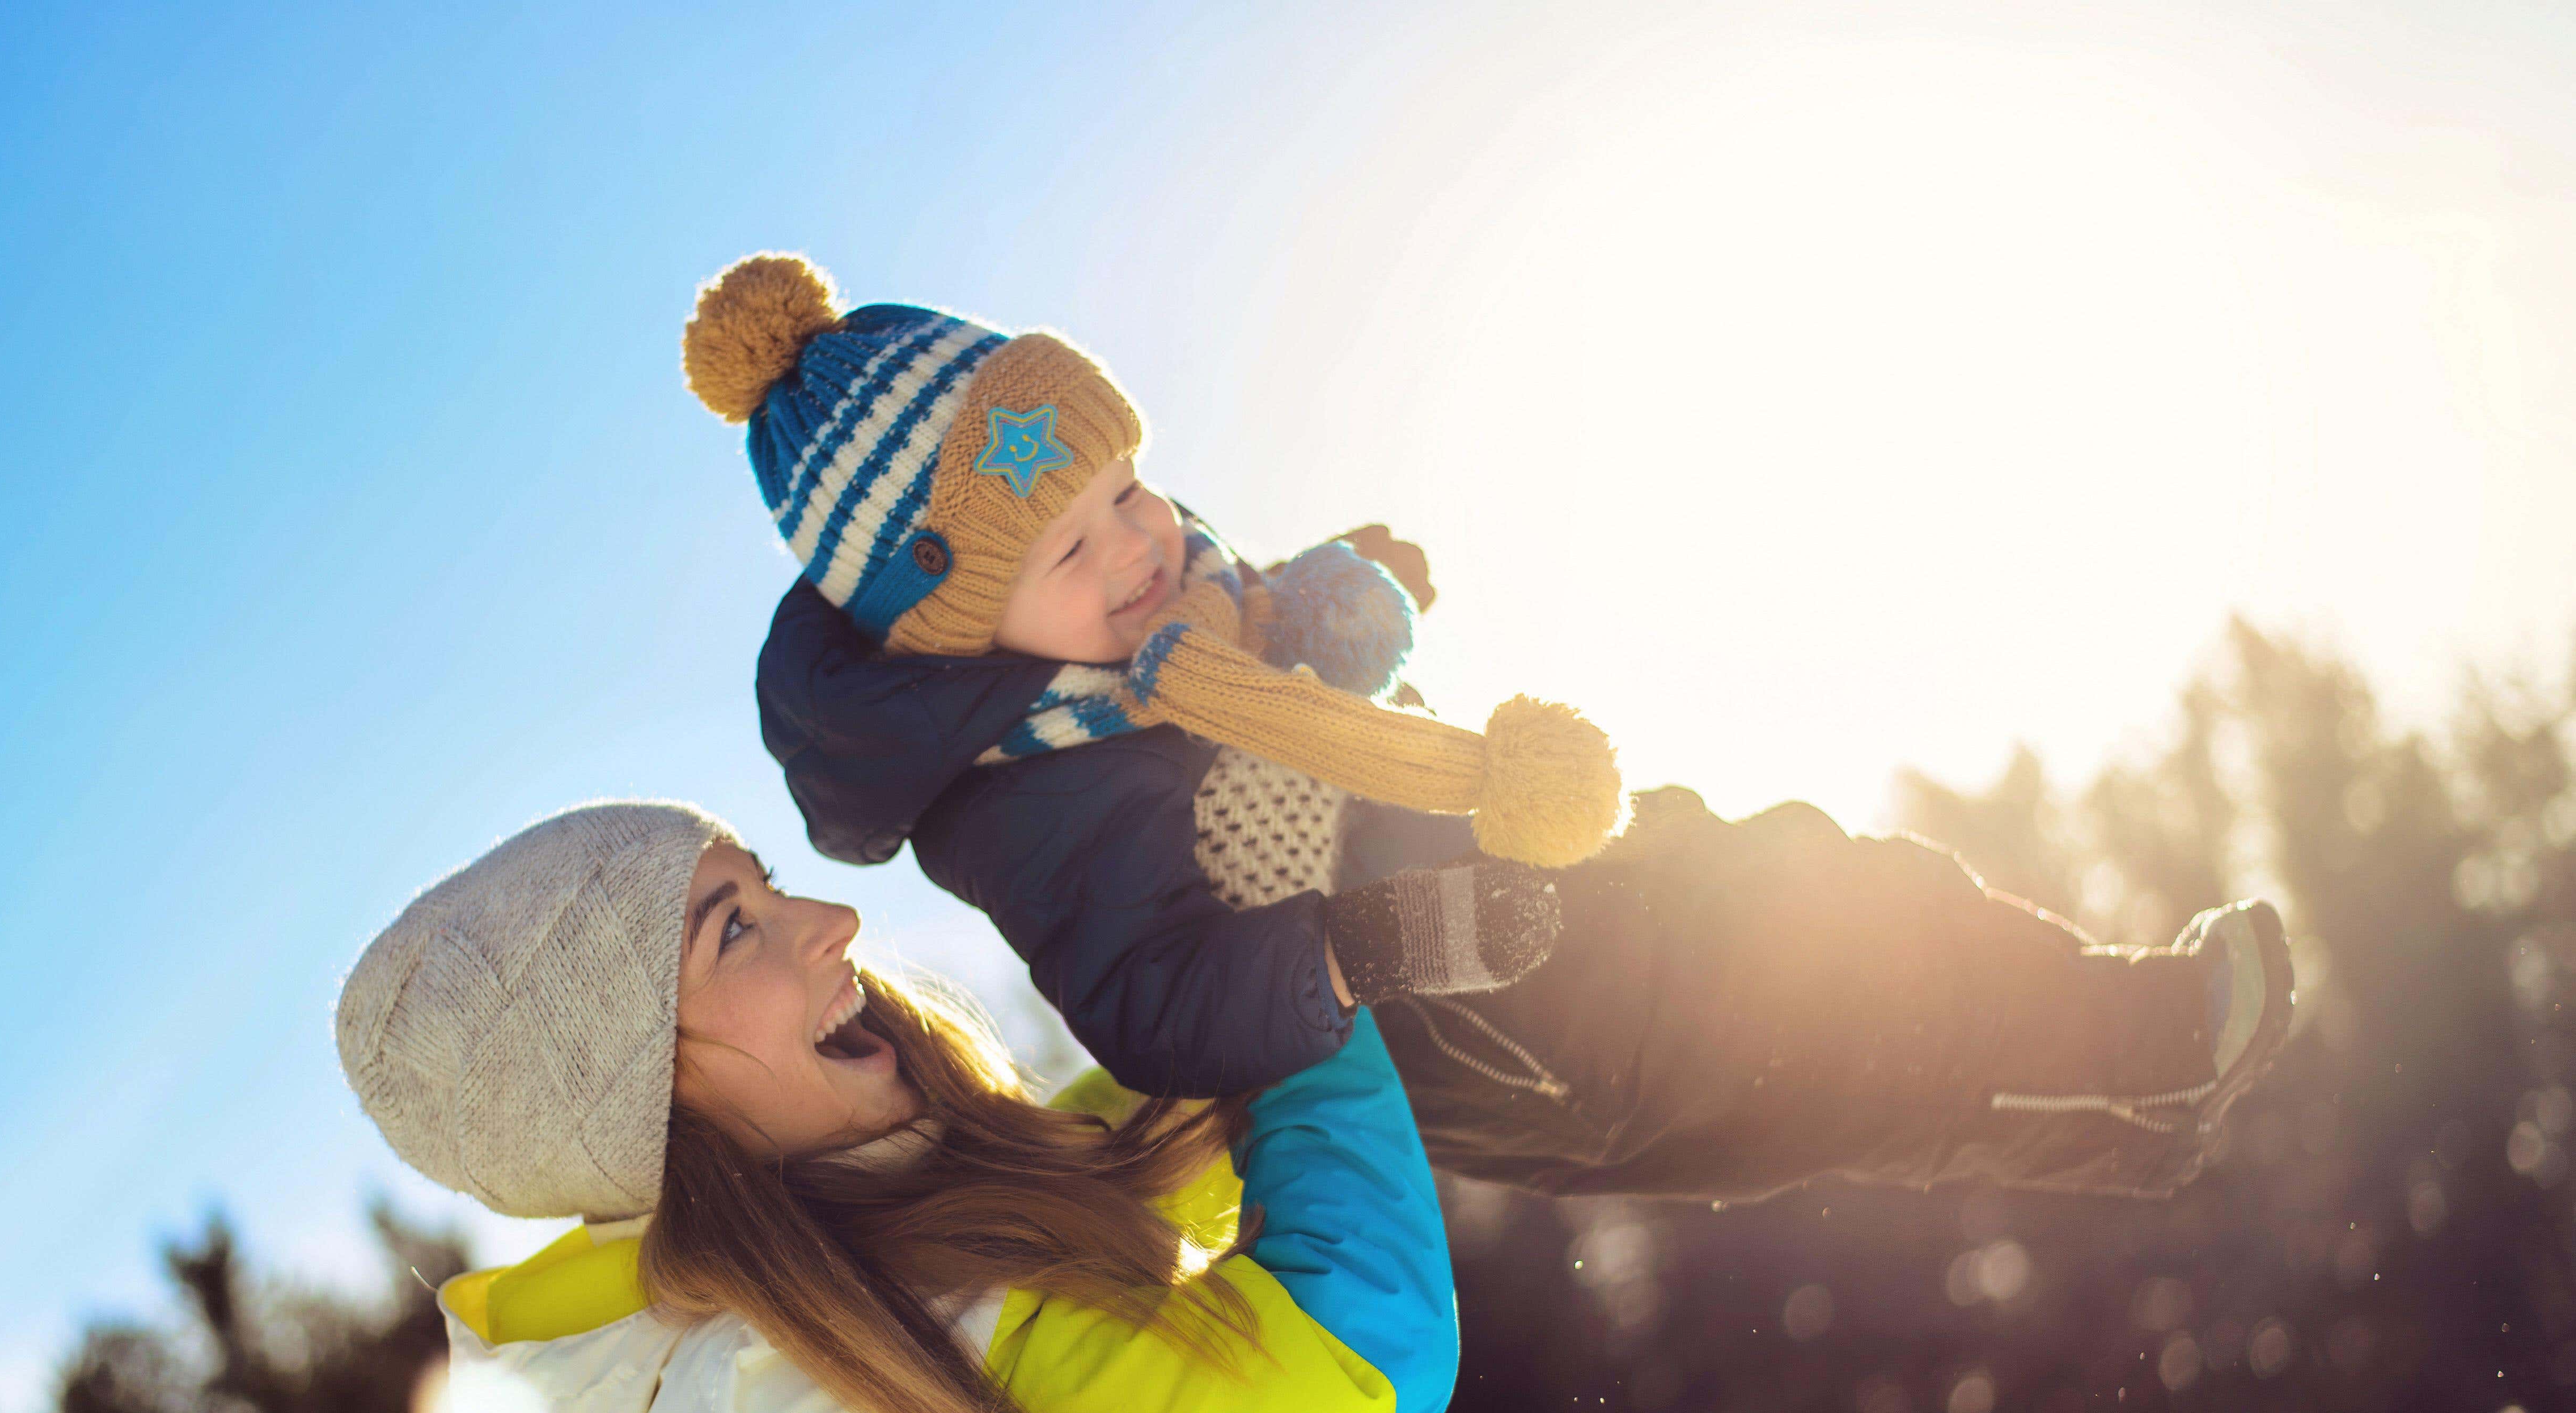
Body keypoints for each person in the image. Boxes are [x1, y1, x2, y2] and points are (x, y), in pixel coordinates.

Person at [689, 251, 2293, 1201]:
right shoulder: (1025, 797)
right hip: (1490, 1016)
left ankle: (2136, 1091)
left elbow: (1291, 655)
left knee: (1835, 903)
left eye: (1125, 487)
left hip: (1544, 878)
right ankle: (2148, 1049)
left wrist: (1343, 587)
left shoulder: (1149, 615)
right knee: (1843, 1029)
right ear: (959, 619)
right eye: (1073, 544)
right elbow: (1152, 999)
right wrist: (1372, 946)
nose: (1138, 544)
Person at [335, 801, 1466, 1413]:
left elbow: (1151, 1117)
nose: (836, 924)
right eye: (736, 931)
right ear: (641, 1099)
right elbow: (1359, 1346)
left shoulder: (915, 1233)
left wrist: (1273, 872)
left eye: (770, 890)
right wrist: (1309, 989)